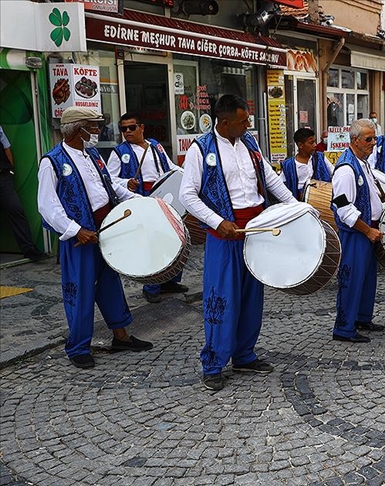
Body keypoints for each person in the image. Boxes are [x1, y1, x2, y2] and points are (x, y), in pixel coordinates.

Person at [180, 95, 301, 391]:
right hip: (224, 234)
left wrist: (296, 207)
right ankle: (213, 363)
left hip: (255, 230)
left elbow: (269, 180)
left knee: (251, 296)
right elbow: (187, 195)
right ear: (224, 123)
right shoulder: (200, 150)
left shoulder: (250, 143)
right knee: (222, 299)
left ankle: (244, 354)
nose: (248, 124)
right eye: (243, 120)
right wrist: (217, 221)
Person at [37, 107, 153, 369]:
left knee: (110, 284)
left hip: (104, 230)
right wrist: (76, 230)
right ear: (79, 129)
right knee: (80, 290)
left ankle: (120, 336)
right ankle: (78, 346)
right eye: (94, 126)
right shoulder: (52, 162)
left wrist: (142, 202)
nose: (98, 131)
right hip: (79, 237)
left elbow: (110, 188)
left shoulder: (92, 155)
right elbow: (47, 205)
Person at [107, 113, 186, 304]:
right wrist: (126, 183)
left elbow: (170, 167)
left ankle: (170, 280)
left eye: (131, 128)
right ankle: (151, 285)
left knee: (176, 237)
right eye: (123, 128)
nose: (127, 132)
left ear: (141, 127)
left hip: (164, 196)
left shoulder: (155, 146)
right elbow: (109, 179)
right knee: (152, 242)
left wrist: (186, 175)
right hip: (141, 199)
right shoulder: (119, 153)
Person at [331, 119, 385, 344]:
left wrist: (381, 196)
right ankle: (344, 328)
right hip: (356, 233)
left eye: (375, 138)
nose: (373, 143)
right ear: (354, 140)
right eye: (369, 139)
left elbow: (364, 190)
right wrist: (367, 231)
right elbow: (343, 208)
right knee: (352, 279)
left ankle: (362, 318)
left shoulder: (363, 162)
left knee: (367, 279)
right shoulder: (346, 170)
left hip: (367, 230)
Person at [0, 124, 49, 261]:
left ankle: (29, 249)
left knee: (16, 209)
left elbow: (6, 147)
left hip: (3, 177)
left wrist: (10, 170)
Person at [281, 127, 334, 200]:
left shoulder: (321, 157)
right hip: (299, 204)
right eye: (311, 143)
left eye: (315, 142)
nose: (315, 145)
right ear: (300, 145)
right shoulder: (288, 165)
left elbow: (334, 174)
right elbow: (280, 186)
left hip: (322, 199)